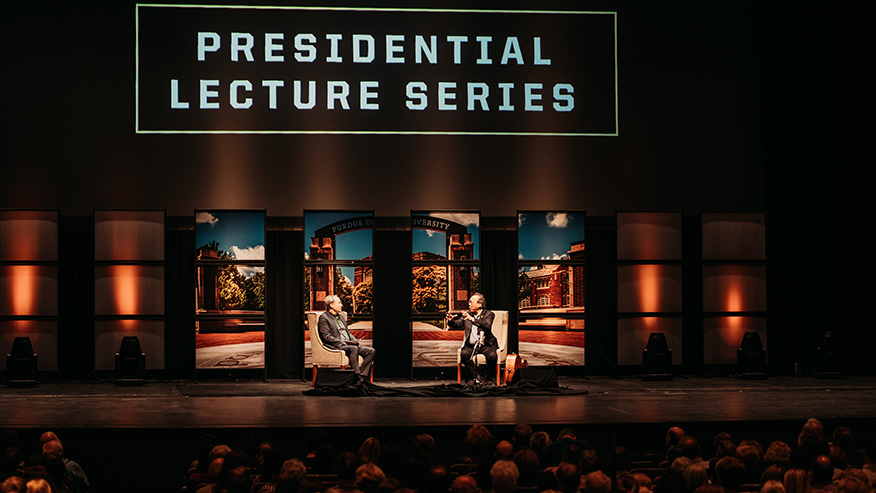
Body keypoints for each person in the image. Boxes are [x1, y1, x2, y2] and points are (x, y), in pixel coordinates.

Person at [319, 295, 376, 382]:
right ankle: (356, 376)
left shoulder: (341, 317)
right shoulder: (324, 318)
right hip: (337, 345)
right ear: (331, 305)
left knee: (371, 351)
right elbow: (326, 337)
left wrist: (354, 340)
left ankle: (363, 376)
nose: (341, 305)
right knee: (353, 348)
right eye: (339, 303)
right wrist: (344, 342)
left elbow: (347, 332)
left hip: (349, 345)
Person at [446, 293, 496, 385]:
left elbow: (487, 325)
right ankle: (476, 377)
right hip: (471, 345)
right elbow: (457, 324)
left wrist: (472, 320)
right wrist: (450, 321)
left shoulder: (489, 314)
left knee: (492, 356)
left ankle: (488, 379)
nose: (469, 304)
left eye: (471, 302)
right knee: (464, 354)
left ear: (480, 304)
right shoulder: (467, 314)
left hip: (485, 344)